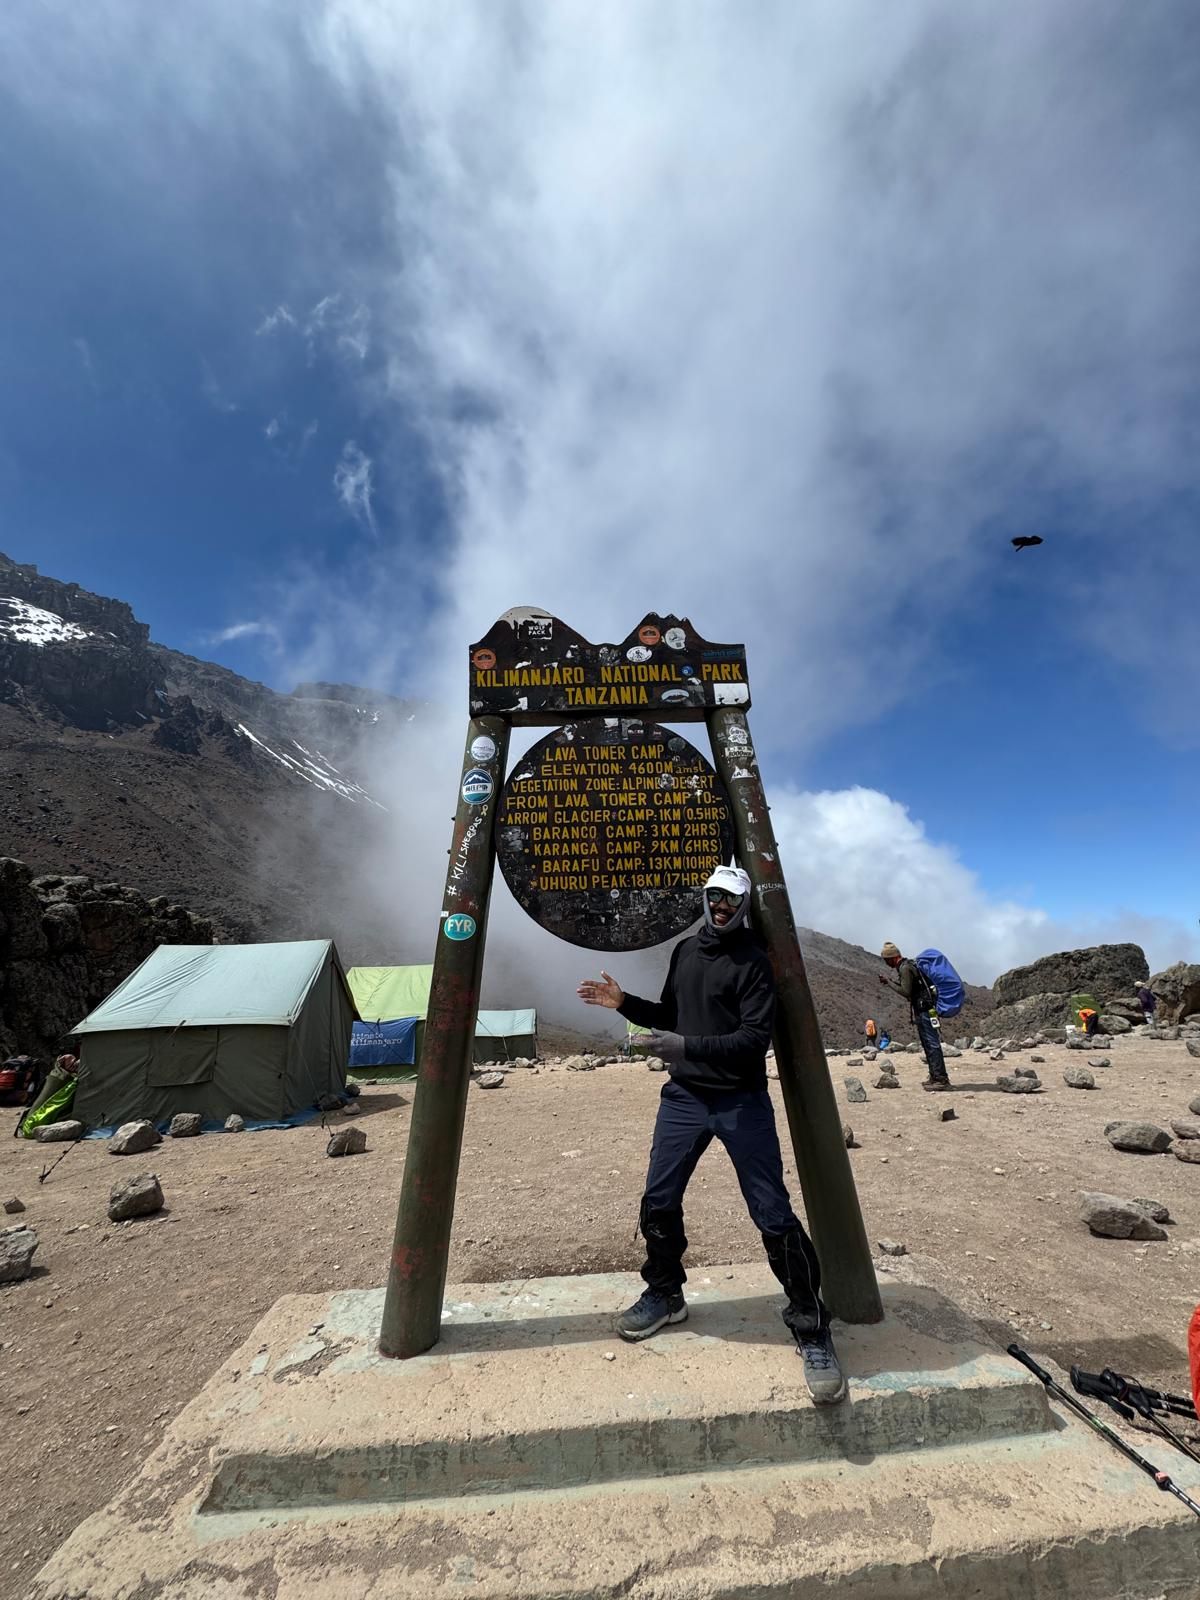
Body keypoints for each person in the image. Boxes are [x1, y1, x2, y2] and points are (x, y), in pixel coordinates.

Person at [577, 864, 846, 1405]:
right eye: (715, 896)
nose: (721, 906)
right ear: (705, 898)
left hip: (741, 1100)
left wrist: (683, 1048)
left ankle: (811, 1325)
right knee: (659, 1199)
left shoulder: (754, 961)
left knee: (772, 1212)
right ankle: (665, 1294)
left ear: (744, 906)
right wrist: (625, 1003)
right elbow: (672, 1014)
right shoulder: (685, 952)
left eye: (731, 900)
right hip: (684, 1098)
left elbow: (752, 1040)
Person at [878, 942, 950, 1089]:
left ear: (892, 957)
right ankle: (935, 1076)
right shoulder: (909, 965)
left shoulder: (905, 968)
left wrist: (889, 983)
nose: (886, 963)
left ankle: (940, 1078)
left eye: (886, 960)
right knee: (927, 1043)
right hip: (925, 1008)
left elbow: (906, 991)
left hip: (924, 1009)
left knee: (931, 1042)